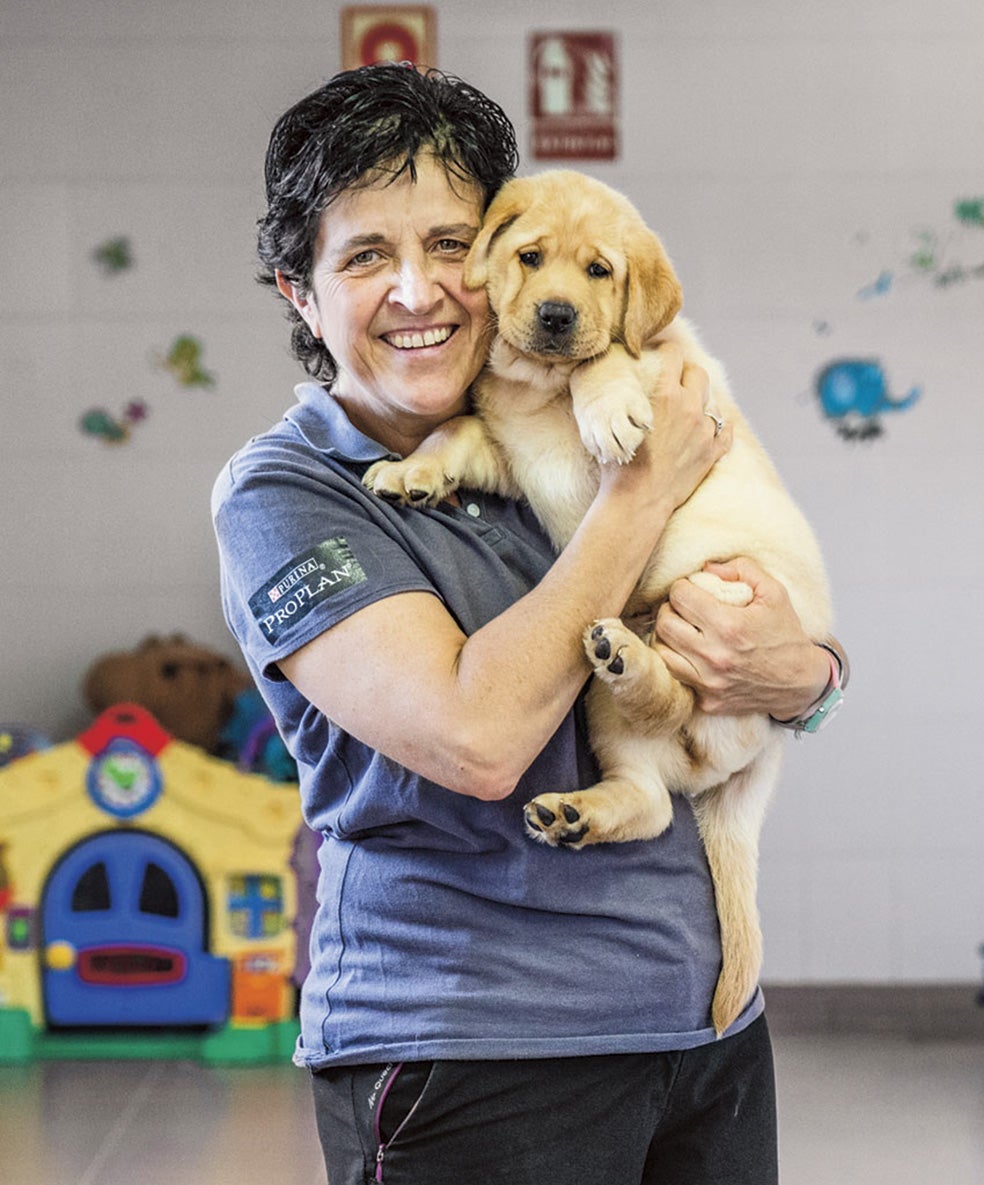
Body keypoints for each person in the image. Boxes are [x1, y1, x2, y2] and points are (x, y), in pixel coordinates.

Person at [212, 62, 846, 1185]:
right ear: (297, 293)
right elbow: (477, 737)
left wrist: (805, 672)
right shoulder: (288, 493)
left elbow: (763, 606)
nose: (420, 292)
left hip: (701, 1025)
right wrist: (641, 493)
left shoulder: (572, 410)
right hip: (475, 1050)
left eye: (451, 244)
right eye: (365, 257)